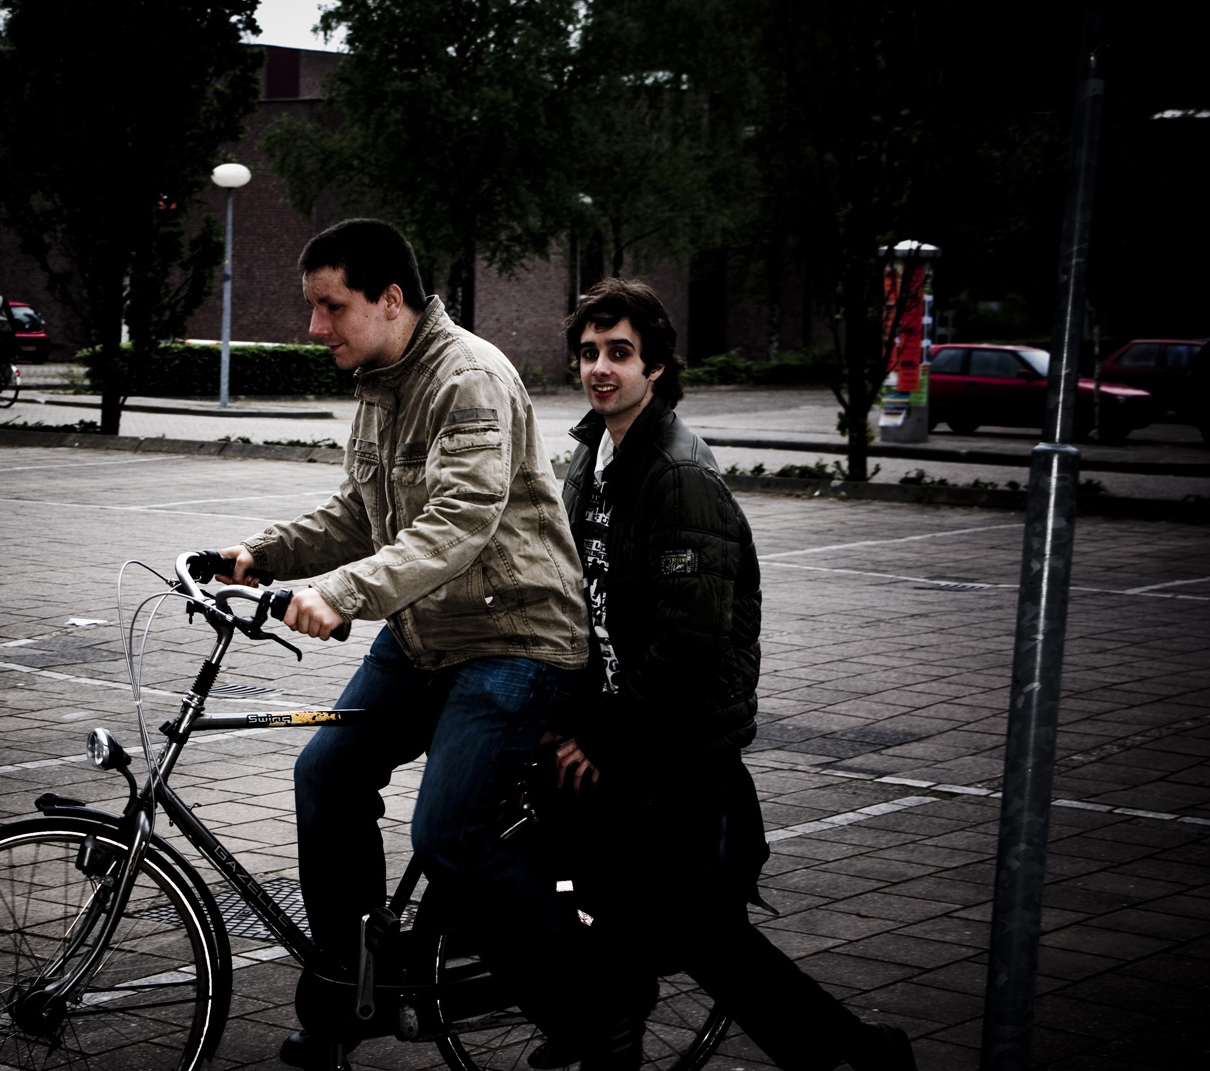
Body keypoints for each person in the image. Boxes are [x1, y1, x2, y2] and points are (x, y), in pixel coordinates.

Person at [216, 219, 625, 1068]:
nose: (315, 326)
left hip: (515, 637)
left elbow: (456, 527)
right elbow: (357, 513)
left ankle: (594, 1002)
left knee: (449, 834)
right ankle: (350, 990)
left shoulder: (467, 376)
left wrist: (339, 593)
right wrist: (258, 555)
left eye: (331, 306)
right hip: (428, 633)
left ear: (390, 299)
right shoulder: (380, 379)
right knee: (325, 774)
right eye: (312, 307)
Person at [548, 276, 917, 1071]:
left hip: (676, 744)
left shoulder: (678, 473)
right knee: (599, 900)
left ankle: (860, 1054)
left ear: (655, 366)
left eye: (619, 353)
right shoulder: (593, 457)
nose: (600, 368)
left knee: (702, 932)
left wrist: (603, 736)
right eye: (589, 352)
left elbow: (689, 640)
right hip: (627, 727)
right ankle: (609, 1034)